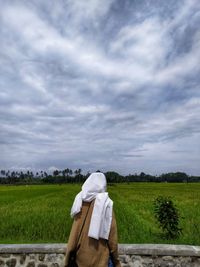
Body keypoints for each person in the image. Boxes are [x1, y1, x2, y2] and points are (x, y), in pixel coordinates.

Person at [64, 172, 121, 267]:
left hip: (81, 260)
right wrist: (117, 262)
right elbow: (113, 240)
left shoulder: (79, 203)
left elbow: (74, 236)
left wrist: (67, 260)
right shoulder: (107, 204)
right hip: (102, 261)